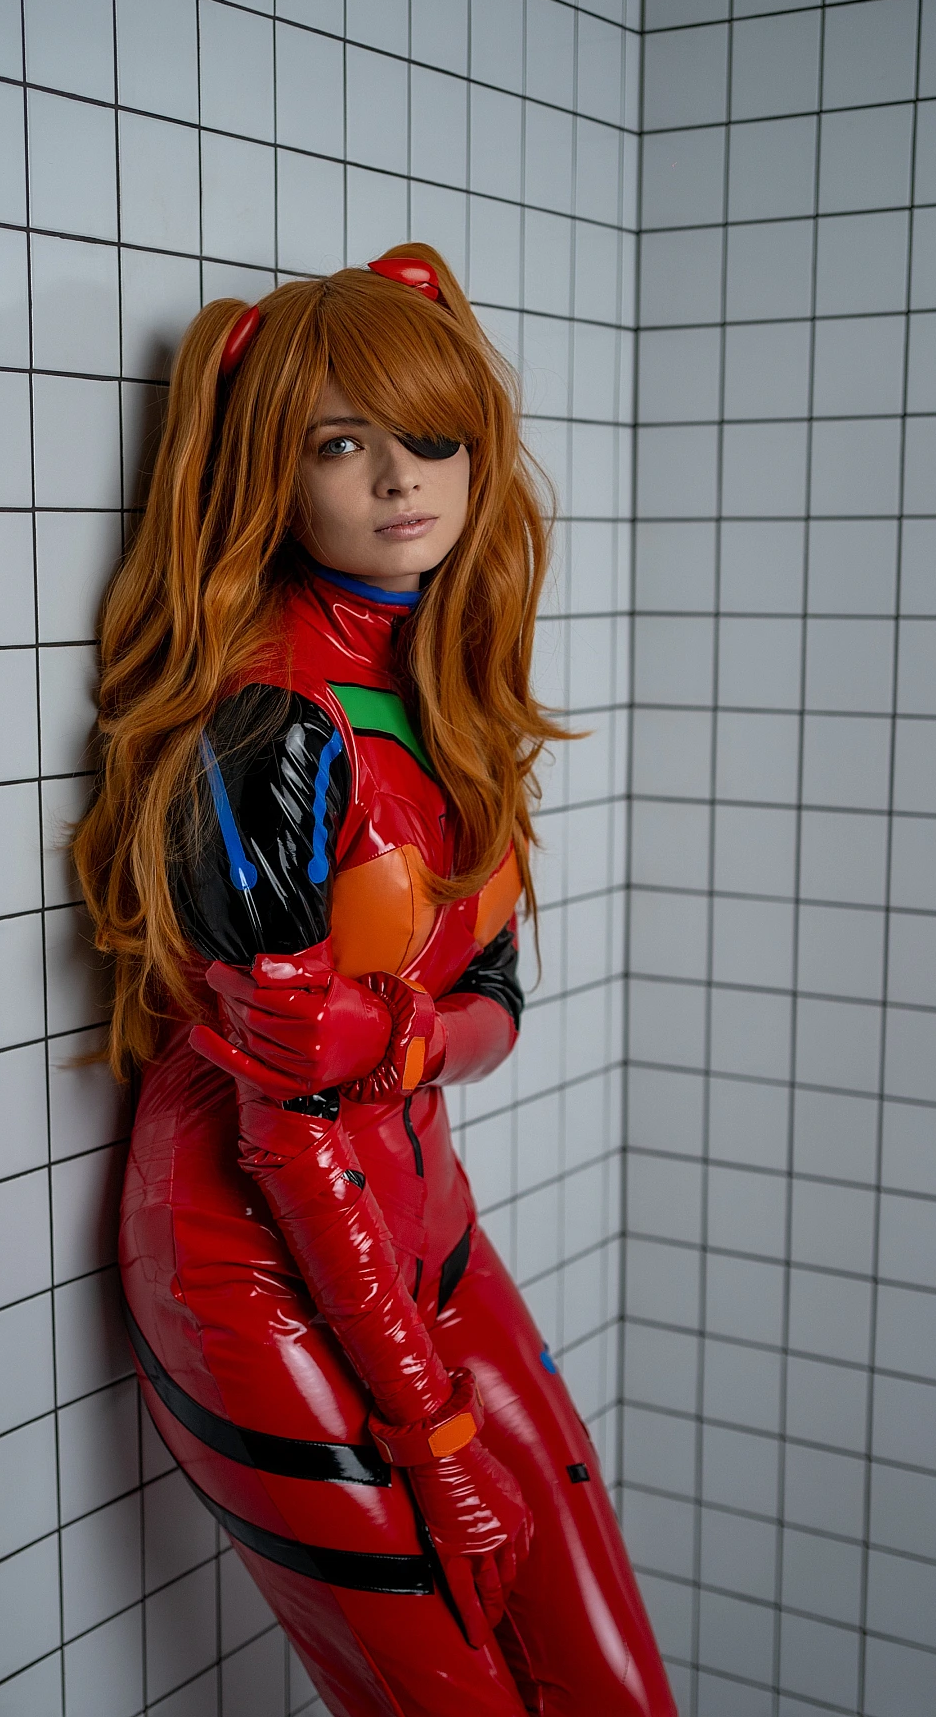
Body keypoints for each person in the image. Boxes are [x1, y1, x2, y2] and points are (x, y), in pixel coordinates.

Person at [73, 245, 676, 1717]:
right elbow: (288, 1124)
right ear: (271, 475)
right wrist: (431, 1442)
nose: (402, 479)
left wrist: (397, 1039)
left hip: (420, 1228)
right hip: (248, 1262)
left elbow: (499, 1007)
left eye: (430, 436)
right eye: (341, 444)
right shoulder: (265, 724)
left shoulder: (444, 680)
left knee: (615, 1682)